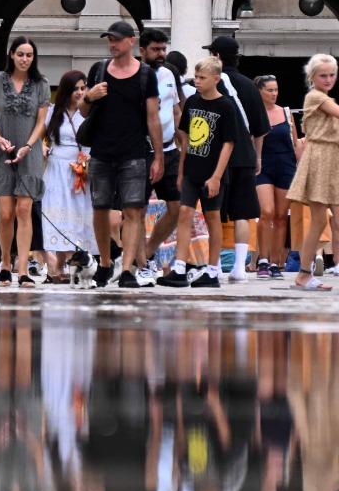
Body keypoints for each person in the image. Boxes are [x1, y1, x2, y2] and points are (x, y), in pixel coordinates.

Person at [80, 21, 163, 288]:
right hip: (102, 150)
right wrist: (89, 96)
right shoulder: (99, 70)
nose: (112, 44)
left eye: (116, 39)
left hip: (133, 151)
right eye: (109, 40)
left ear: (131, 41)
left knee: (133, 210)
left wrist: (159, 156)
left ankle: (127, 269)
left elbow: (153, 118)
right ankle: (105, 262)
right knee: (100, 209)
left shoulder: (145, 75)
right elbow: (83, 111)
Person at [159, 57, 249, 290]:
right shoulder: (191, 102)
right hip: (192, 170)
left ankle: (212, 269)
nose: (197, 82)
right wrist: (181, 171)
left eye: (202, 78)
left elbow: (229, 144)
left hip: (213, 171)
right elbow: (186, 140)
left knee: (212, 217)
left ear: (216, 79)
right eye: (196, 77)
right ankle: (179, 266)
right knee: (185, 213)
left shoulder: (226, 106)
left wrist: (217, 176)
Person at [0, 38, 50, 286]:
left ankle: (23, 268)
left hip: (29, 151)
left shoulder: (41, 83)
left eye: (29, 55)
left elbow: (41, 122)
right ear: (12, 54)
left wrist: (28, 146)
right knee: (5, 213)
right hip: (1, 150)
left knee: (24, 210)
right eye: (21, 54)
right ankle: (5, 263)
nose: (25, 59)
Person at [208, 35, 271, 282]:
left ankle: (211, 265)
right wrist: (258, 158)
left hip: (215, 157)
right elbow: (260, 128)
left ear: (217, 57)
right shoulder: (248, 86)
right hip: (244, 154)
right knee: (242, 212)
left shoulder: (210, 84)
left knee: (212, 211)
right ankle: (239, 268)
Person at [288, 53, 339, 290]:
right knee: (320, 220)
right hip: (320, 158)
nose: (328, 79)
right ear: (313, 77)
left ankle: (304, 273)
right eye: (323, 75)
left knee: (321, 221)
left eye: (332, 75)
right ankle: (304, 273)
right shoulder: (315, 96)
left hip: (331, 158)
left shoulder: (326, 98)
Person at [40, 70, 94, 279]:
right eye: (76, 89)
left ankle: (65, 263)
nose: (80, 92)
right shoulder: (54, 112)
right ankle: (56, 263)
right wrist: (42, 148)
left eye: (83, 88)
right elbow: (38, 135)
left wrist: (88, 161)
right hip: (57, 167)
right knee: (55, 214)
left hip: (81, 169)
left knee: (77, 217)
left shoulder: (89, 112)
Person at [139, 27, 184, 278]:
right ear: (142, 50)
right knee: (137, 209)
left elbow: (176, 108)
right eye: (155, 49)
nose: (161, 54)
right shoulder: (136, 75)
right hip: (142, 150)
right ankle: (136, 259)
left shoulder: (170, 73)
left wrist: (184, 143)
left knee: (178, 207)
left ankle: (148, 250)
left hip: (169, 149)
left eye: (163, 49)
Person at [254, 74, 299, 279]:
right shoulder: (255, 113)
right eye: (269, 90)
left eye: (276, 89)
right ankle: (262, 259)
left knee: (282, 216)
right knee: (267, 211)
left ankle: (275, 261)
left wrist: (301, 169)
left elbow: (295, 143)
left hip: (286, 166)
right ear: (260, 91)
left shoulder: (286, 113)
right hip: (263, 166)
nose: (274, 93)